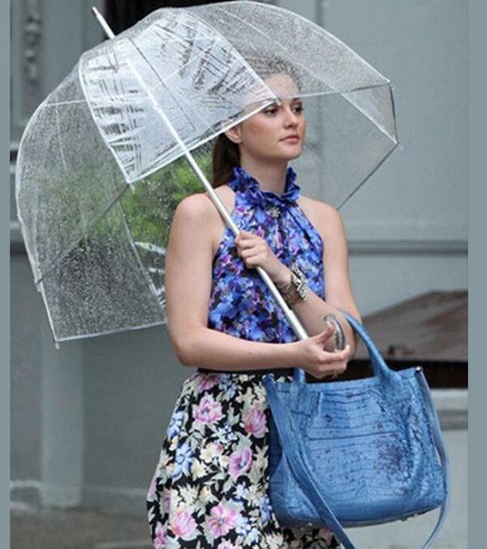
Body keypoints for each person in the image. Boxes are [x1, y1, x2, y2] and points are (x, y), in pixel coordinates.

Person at [146, 72, 361, 549]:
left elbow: (346, 336)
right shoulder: (201, 213)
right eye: (271, 110)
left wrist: (285, 276)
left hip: (307, 429)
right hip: (222, 430)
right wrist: (291, 354)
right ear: (233, 129)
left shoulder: (324, 220)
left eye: (298, 108)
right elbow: (188, 341)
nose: (292, 120)